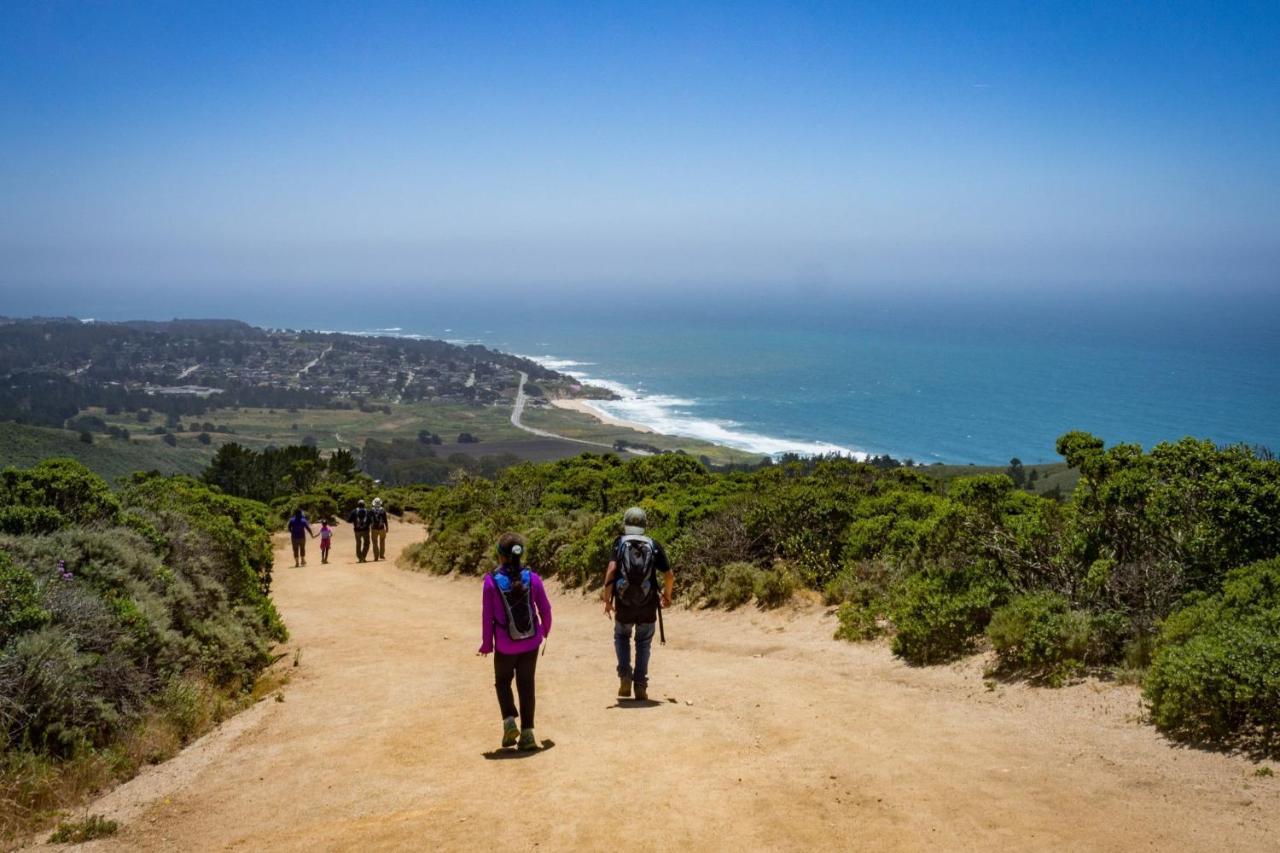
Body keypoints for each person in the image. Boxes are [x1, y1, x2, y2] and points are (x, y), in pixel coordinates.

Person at [478, 533, 552, 751]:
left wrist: (486, 645)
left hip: (504, 644)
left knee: (503, 682)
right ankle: (528, 734)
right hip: (531, 643)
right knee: (526, 685)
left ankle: (509, 720)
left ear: (500, 556)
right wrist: (544, 631)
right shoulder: (533, 578)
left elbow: (487, 616)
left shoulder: (491, 581)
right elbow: (545, 610)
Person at [602, 506, 673, 701]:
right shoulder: (653, 544)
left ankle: (625, 675)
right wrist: (667, 596)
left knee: (621, 636)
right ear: (644, 524)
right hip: (647, 603)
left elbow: (611, 570)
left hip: (624, 603)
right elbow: (669, 576)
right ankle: (640, 684)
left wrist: (607, 599)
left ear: (625, 523)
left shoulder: (619, 542)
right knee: (643, 643)